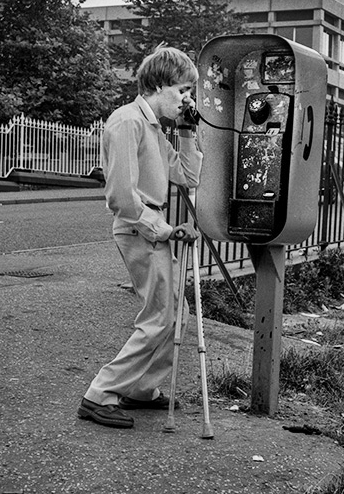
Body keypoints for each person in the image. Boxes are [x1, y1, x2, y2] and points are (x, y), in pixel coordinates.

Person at [77, 46, 203, 429]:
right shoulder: (126, 122)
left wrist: (185, 131)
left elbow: (189, 177)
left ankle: (141, 389)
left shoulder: (153, 128)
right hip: (139, 229)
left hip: (152, 229)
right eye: (182, 90)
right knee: (159, 318)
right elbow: (121, 197)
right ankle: (100, 394)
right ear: (160, 84)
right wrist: (164, 229)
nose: (187, 99)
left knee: (174, 318)